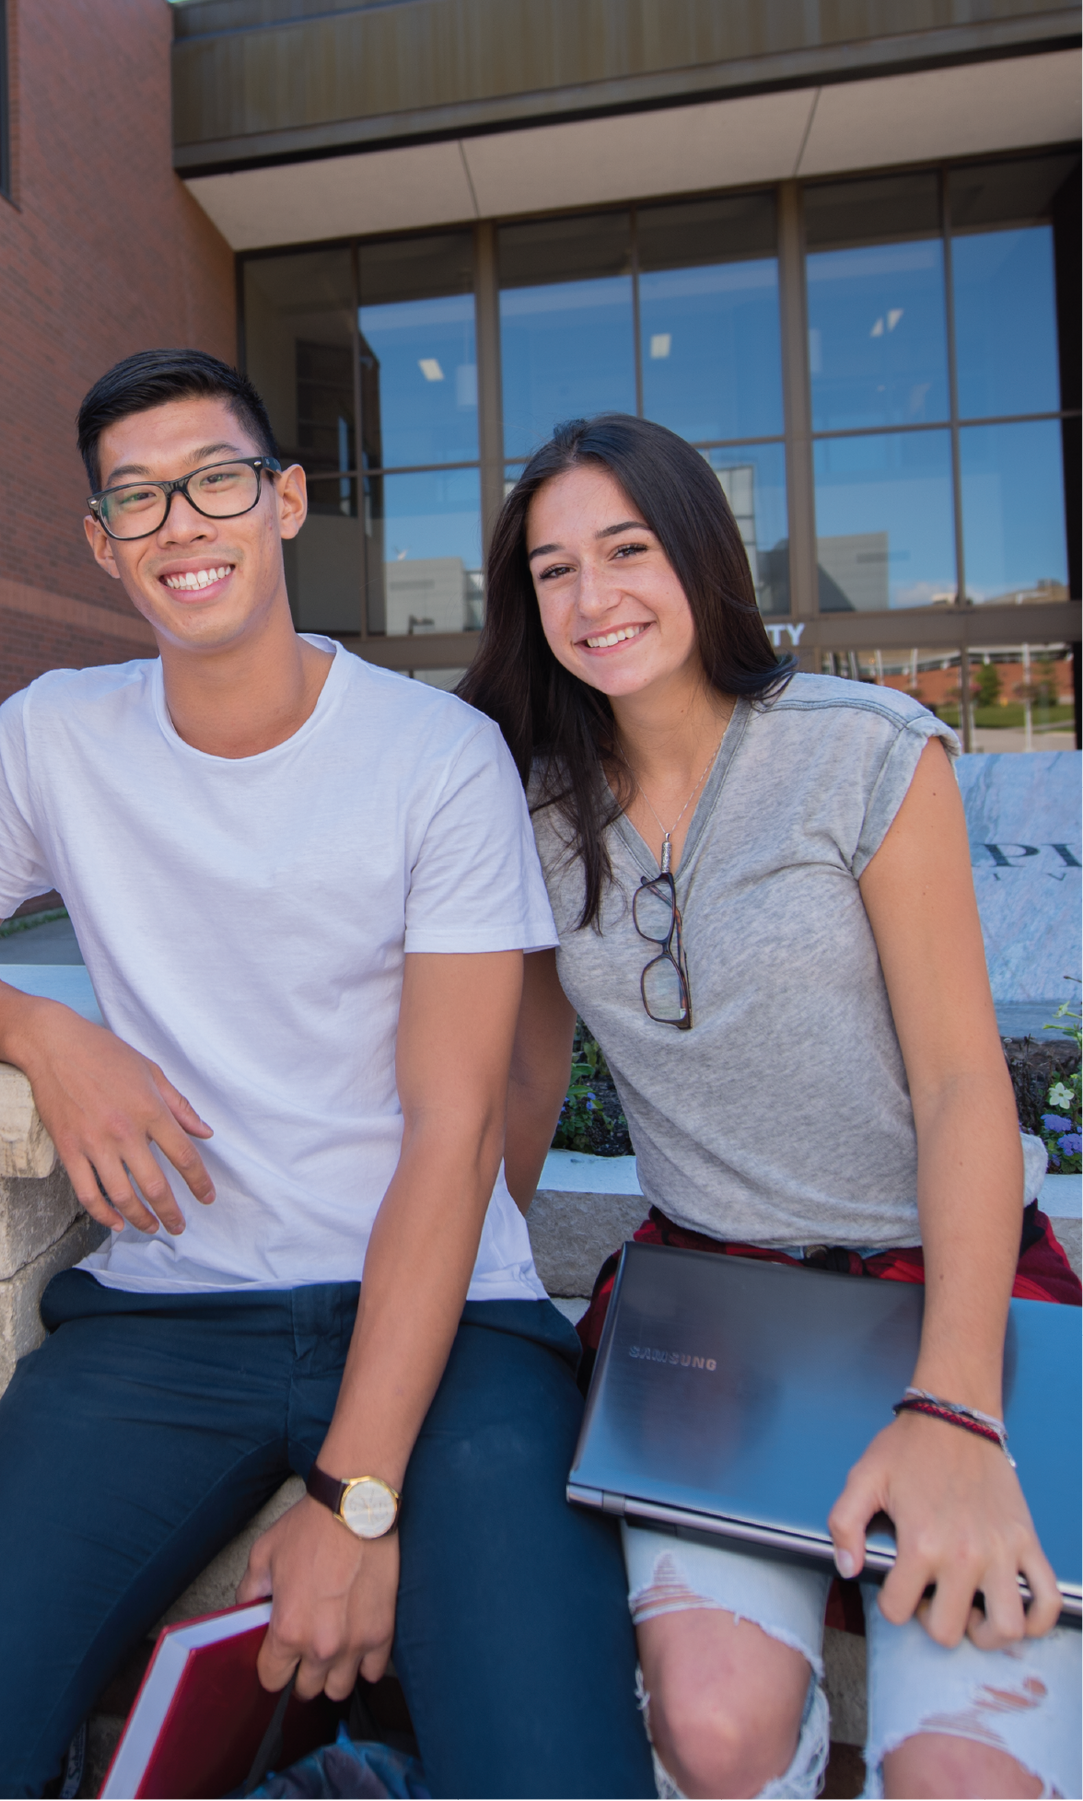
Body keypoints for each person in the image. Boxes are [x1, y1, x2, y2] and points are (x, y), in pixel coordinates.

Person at [0, 350, 649, 1801]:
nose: (178, 523)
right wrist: (49, 1036)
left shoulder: (432, 755)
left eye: (213, 481)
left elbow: (457, 1134)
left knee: (554, 1767)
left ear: (283, 502)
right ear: (100, 542)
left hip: (454, 1320)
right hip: (163, 1319)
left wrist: (355, 1492)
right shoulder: (55, 733)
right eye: (134, 499)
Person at [461, 412, 1083, 1801]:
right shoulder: (536, 801)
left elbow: (962, 1083)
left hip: (948, 1293)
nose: (592, 596)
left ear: (701, 551)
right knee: (715, 1735)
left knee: (962, 1779)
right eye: (552, 568)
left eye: (626, 548)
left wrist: (960, 1409)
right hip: (715, 1310)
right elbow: (516, 1077)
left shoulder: (864, 748)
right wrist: (468, 1300)